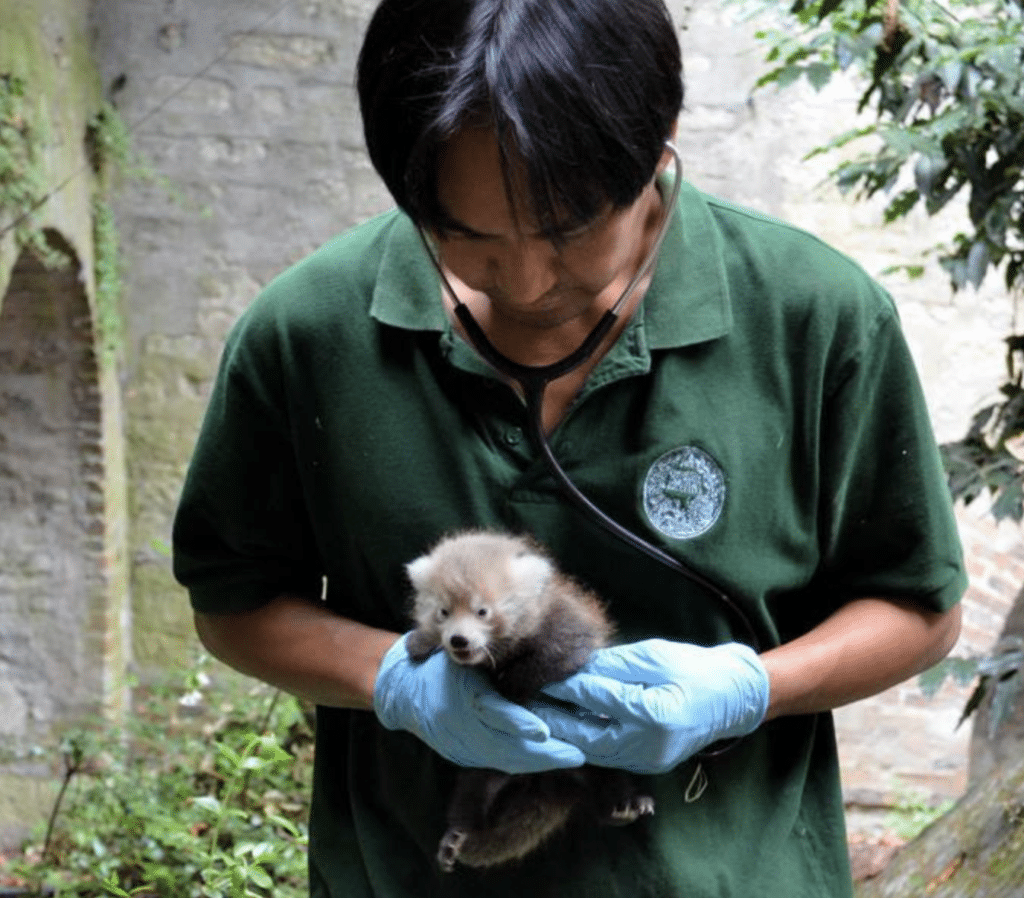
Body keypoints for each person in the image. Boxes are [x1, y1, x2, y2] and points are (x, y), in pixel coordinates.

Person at [172, 0, 967, 895]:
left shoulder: (816, 317)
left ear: (659, 141)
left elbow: (919, 610)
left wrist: (752, 687)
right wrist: (395, 678)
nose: (527, 282)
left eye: (570, 232)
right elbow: (233, 603)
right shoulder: (307, 333)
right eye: (465, 238)